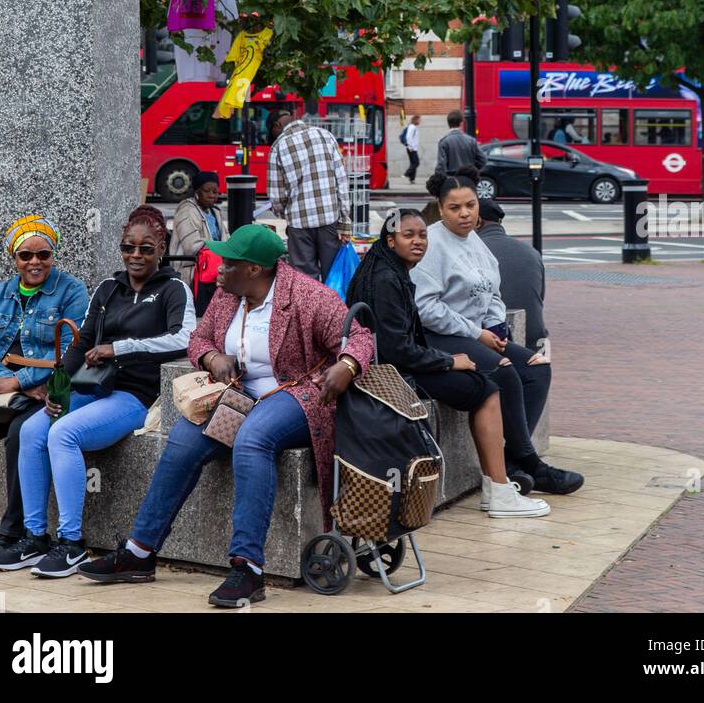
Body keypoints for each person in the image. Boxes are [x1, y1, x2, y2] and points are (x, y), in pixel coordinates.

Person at [79, 224, 374, 608]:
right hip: (238, 394)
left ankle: (247, 568)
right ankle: (139, 551)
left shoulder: (306, 296)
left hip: (297, 395)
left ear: (254, 269)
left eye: (228, 262)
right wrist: (213, 357)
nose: (218, 269)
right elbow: (197, 339)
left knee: (253, 438)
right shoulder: (226, 295)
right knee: (183, 441)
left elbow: (361, 337)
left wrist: (347, 365)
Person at [0, 206, 195, 577]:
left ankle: (72, 544)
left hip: (135, 396)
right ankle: (35, 538)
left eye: (146, 248)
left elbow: (185, 338)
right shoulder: (108, 288)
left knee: (64, 433)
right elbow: (80, 346)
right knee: (34, 429)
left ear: (161, 247)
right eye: (128, 247)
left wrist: (121, 347)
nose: (136, 255)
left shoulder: (173, 289)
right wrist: (57, 387)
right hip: (92, 386)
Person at [347, 209, 548, 518]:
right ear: (390, 241)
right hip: (392, 375)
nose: (418, 242)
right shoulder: (387, 280)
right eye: (408, 235)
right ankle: (499, 492)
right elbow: (399, 350)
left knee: (489, 381)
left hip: (396, 366)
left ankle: (502, 484)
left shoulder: (390, 270)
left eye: (423, 235)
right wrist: (449, 362)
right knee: (486, 389)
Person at [412, 168, 584, 497]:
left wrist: (495, 325)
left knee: (537, 366)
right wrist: (477, 333)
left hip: (478, 335)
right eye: (455, 207)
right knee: (504, 372)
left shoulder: (474, 241)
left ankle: (512, 462)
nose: (465, 214)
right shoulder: (432, 244)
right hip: (440, 338)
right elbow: (426, 308)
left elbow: (492, 290)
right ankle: (529, 463)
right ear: (440, 207)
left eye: (470, 205)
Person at [0, 215, 88, 564]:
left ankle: (13, 532)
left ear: (54, 255)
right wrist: (8, 382)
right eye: (25, 255)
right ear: (14, 258)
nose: (35, 263)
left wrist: (22, 381)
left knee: (22, 434)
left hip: (44, 393)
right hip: (7, 394)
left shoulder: (71, 290)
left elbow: (69, 349)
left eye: (43, 255)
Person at [267, 111, 351, 281]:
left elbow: (276, 197)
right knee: (333, 277)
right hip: (330, 219)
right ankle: (333, 307)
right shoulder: (325, 135)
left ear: (276, 126)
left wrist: (287, 213)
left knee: (305, 280)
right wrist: (345, 219)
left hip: (299, 224)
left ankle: (309, 309)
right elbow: (341, 181)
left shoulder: (278, 147)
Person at [476, 198, 548, 351]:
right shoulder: (532, 252)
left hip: (496, 342)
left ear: (478, 222)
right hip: (537, 342)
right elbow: (539, 298)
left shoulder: (474, 252)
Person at [170, 170, 227, 315]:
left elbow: (226, 239)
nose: (212, 195)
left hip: (214, 267)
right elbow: (192, 246)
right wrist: (221, 248)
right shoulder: (187, 211)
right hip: (191, 269)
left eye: (215, 191)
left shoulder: (215, 212)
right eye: (207, 191)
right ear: (197, 192)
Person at [436, 110, 484, 175]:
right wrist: (472, 170)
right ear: (461, 123)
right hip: (469, 179)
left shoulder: (444, 142)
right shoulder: (471, 140)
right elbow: (483, 159)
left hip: (452, 180)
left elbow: (441, 165)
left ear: (448, 123)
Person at [404, 114, 421, 183]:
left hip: (412, 148)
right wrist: (411, 147)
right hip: (412, 148)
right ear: (416, 120)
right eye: (419, 120)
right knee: (416, 163)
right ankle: (407, 173)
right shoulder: (412, 127)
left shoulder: (413, 127)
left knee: (413, 163)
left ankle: (412, 179)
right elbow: (408, 137)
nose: (420, 121)